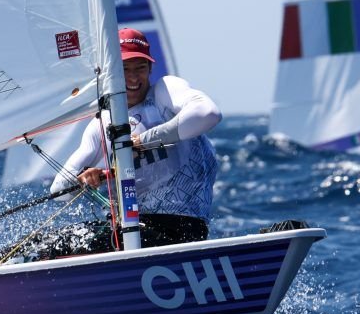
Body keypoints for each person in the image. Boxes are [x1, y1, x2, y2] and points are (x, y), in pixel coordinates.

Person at [28, 28, 221, 259]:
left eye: (140, 68)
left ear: (150, 68)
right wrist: (89, 178)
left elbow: (208, 113)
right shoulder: (104, 122)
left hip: (182, 231)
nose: (133, 78)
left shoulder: (164, 93)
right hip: (130, 230)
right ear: (111, 72)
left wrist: (144, 141)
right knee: (42, 245)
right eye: (124, 69)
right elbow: (59, 190)